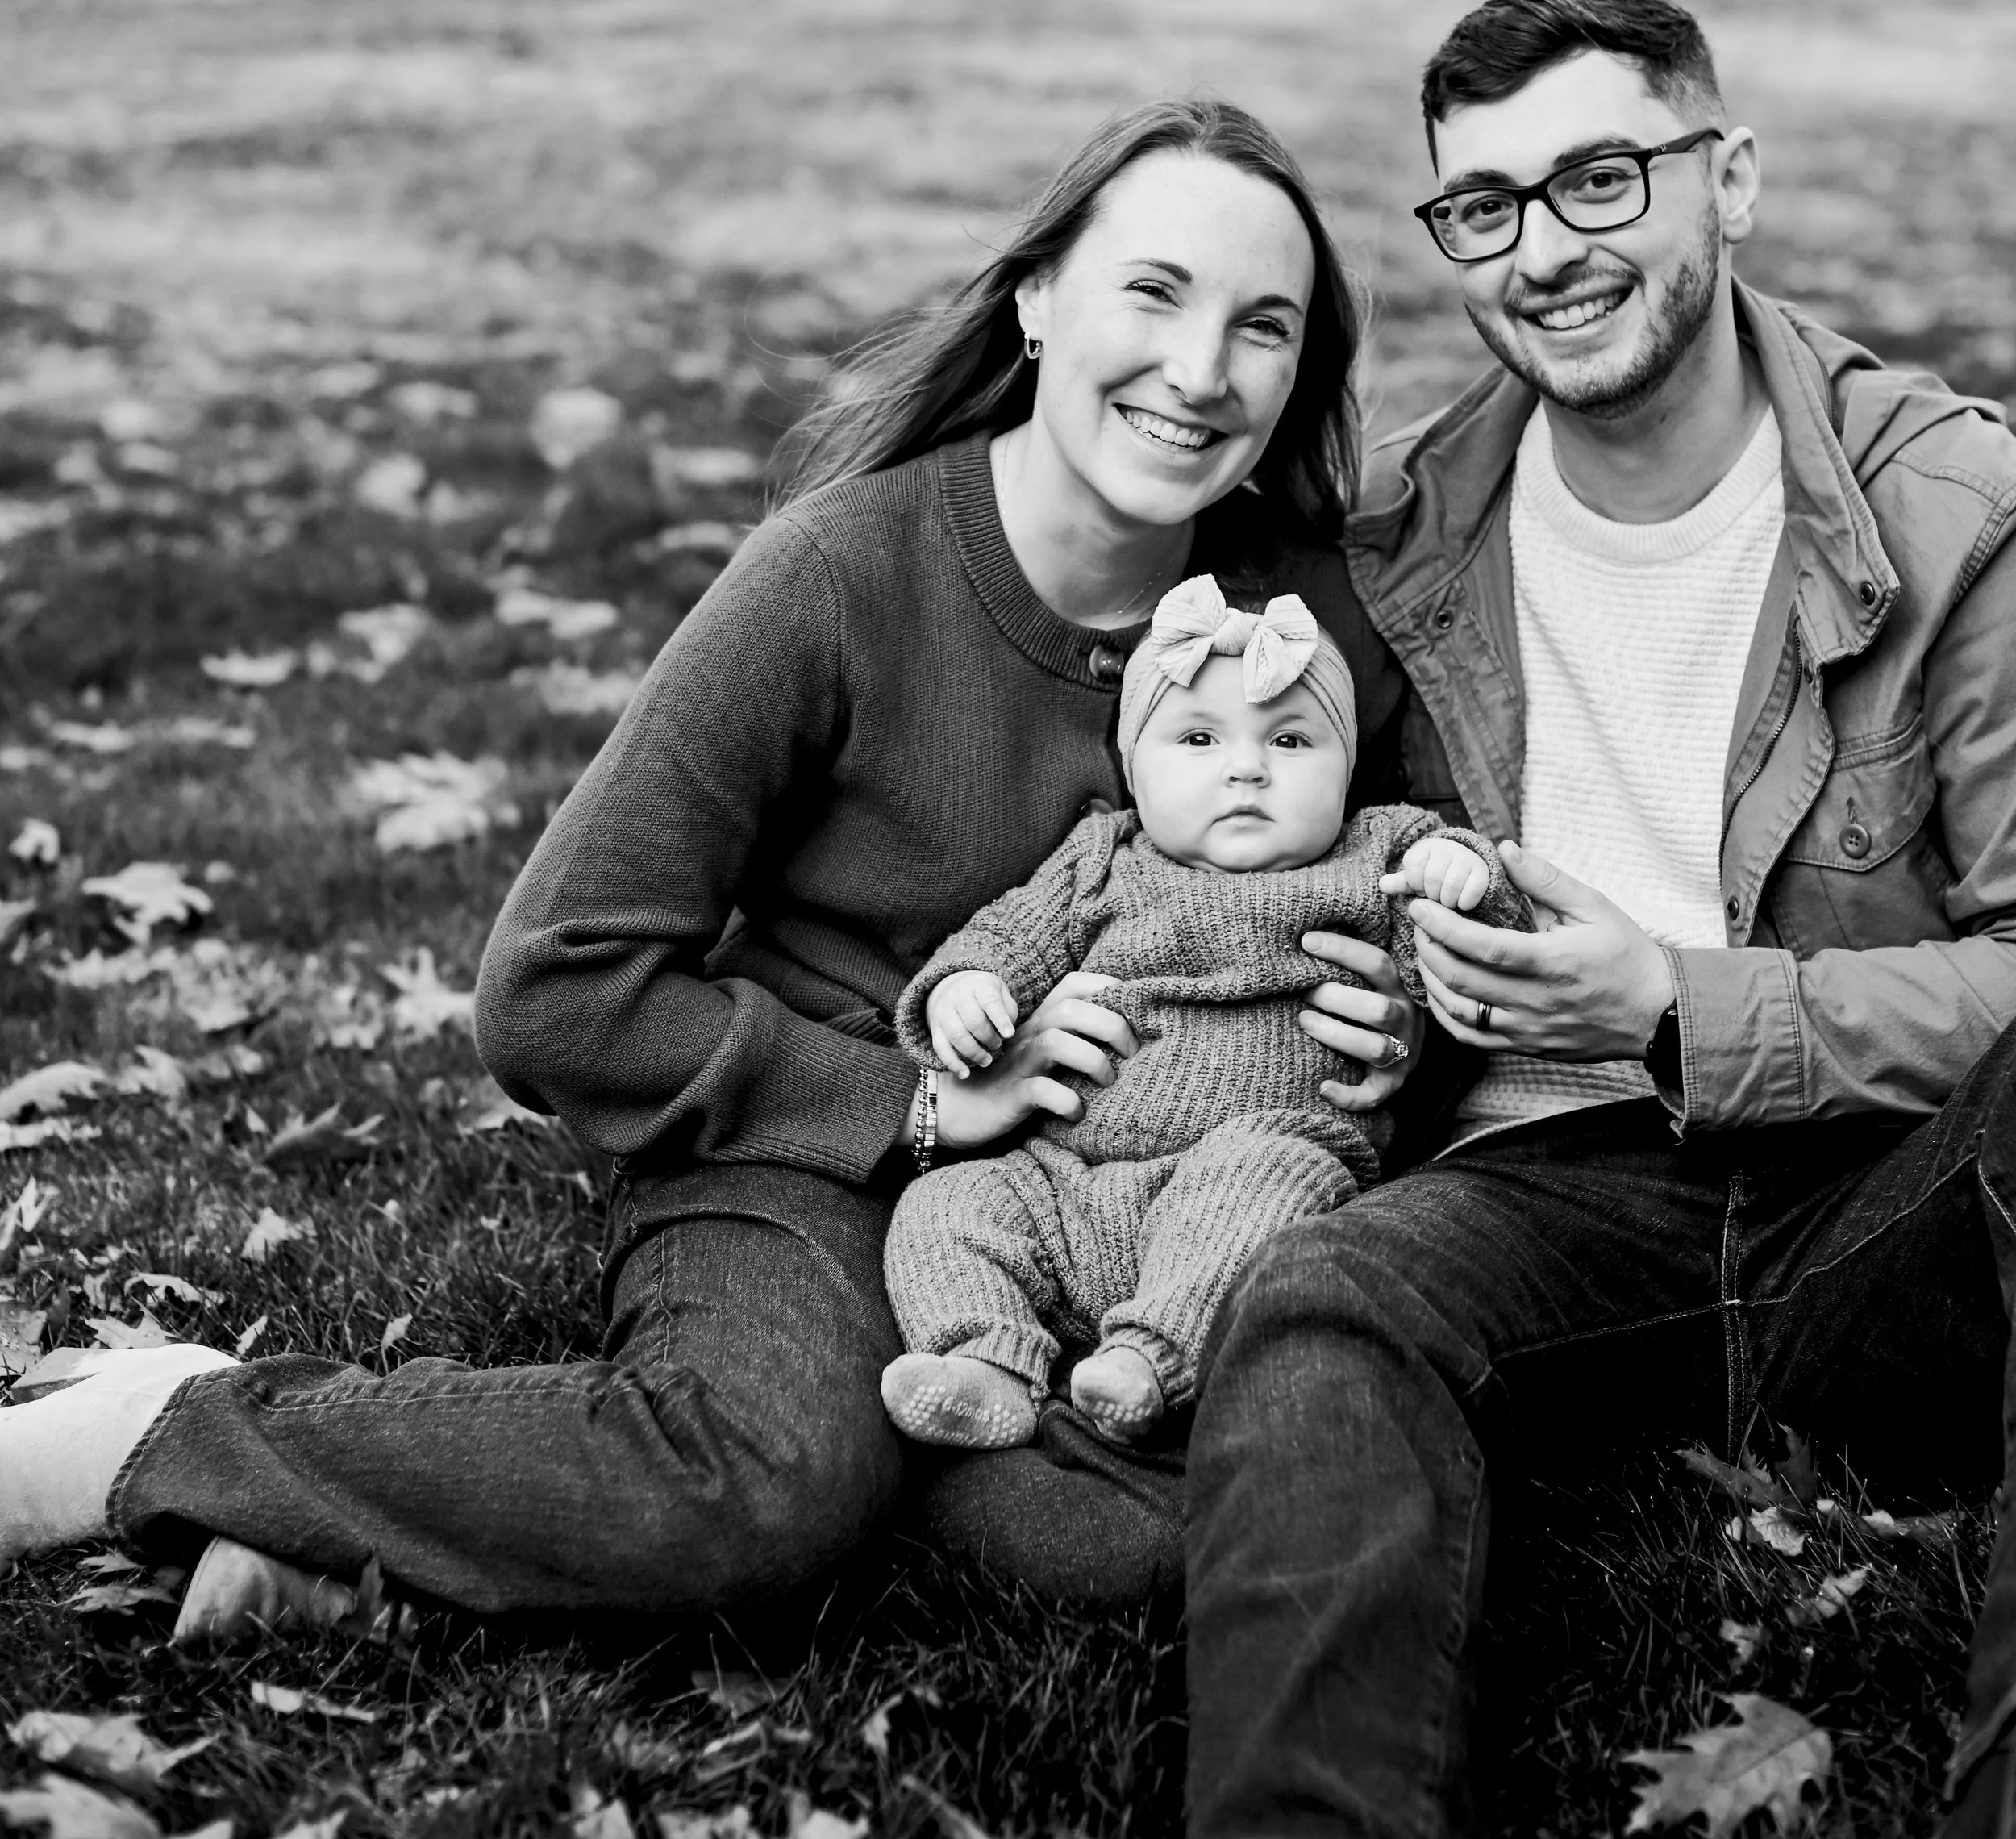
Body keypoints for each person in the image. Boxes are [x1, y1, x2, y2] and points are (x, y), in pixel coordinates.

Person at [0, 98, 1427, 1640]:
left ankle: (417, 1539)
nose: (1202, 371)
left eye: (1263, 327)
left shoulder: (1314, 625)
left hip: (1125, 1211)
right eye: (1153, 291)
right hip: (794, 1144)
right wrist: (922, 1105)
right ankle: (179, 1432)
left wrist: (1398, 1030)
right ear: (1034, 298)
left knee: (1126, 1542)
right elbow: (552, 987)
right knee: (765, 1480)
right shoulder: (836, 575)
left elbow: (1417, 902)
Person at [1050, 0, 2016, 1839]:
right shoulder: (1402, 539)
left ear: (1728, 176)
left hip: (1894, 1201)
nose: (1545, 247)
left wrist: (1684, 995)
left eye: (1599, 174)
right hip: (1556, 1185)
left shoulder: (1947, 513)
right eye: (1481, 205)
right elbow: (1222, 791)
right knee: (1317, 1293)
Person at [881, 574, 1522, 1453]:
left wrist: (1463, 877)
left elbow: (1486, 951)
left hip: (1256, 1161)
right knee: (948, 1200)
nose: (1247, 766)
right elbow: (1000, 937)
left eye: (1291, 738)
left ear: (1349, 770)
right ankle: (985, 1361)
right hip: (1072, 1184)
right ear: (1131, 769)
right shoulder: (1099, 860)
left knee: (1261, 1179)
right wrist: (965, 992)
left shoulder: (1374, 853)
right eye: (1197, 737)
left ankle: (1149, 1364)